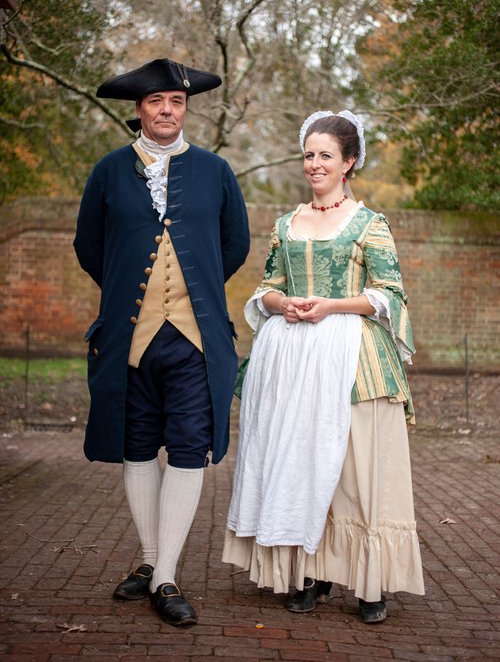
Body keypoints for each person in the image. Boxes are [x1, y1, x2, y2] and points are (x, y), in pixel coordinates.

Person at [222, 110, 424, 623]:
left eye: (325, 155)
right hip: (293, 360)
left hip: (353, 359)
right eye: (309, 154)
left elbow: (389, 295)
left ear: (348, 162)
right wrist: (279, 303)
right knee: (303, 464)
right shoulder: (287, 223)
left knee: (355, 471)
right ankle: (311, 574)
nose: (314, 163)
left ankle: (370, 581)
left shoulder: (369, 224)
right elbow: (265, 287)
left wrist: (333, 305)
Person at [74, 57, 250, 627]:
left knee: (190, 447)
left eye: (175, 100)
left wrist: (195, 288)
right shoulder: (107, 171)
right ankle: (151, 562)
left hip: (196, 341)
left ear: (185, 107)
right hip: (131, 339)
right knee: (137, 446)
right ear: (139, 110)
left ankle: (166, 574)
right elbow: (89, 246)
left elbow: (235, 244)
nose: (167, 110)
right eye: (156, 102)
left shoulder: (216, 170)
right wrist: (130, 287)